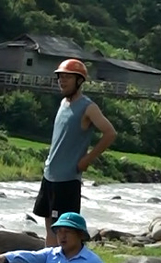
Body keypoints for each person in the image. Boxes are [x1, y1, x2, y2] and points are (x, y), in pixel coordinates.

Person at [35, 59, 117, 246]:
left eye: (67, 78)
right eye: (60, 77)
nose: (62, 81)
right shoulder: (63, 103)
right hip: (50, 176)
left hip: (67, 180)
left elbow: (110, 133)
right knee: (49, 226)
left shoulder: (88, 107)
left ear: (79, 81)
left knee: (64, 231)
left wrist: (86, 159)